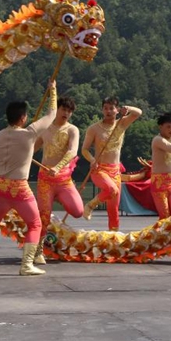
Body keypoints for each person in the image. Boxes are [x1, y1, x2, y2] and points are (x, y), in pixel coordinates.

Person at [0, 78, 57, 275]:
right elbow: (52, 114)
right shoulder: (30, 133)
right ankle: (26, 265)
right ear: (23, 117)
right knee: (35, 224)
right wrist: (53, 91)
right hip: (18, 188)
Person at [33, 96, 84, 265]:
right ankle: (39, 251)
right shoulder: (45, 128)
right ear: (57, 110)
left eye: (69, 111)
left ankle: (59, 198)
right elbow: (33, 148)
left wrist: (58, 167)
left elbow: (72, 151)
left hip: (63, 179)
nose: (66, 113)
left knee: (78, 211)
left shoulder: (72, 130)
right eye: (64, 109)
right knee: (44, 216)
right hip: (45, 179)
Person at [81, 97, 142, 231]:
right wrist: (92, 160)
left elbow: (138, 112)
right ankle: (90, 205)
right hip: (100, 170)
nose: (108, 111)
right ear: (102, 110)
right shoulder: (94, 129)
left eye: (111, 108)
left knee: (113, 209)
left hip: (115, 171)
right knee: (112, 190)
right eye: (105, 108)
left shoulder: (121, 123)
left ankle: (113, 237)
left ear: (117, 110)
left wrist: (128, 109)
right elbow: (84, 149)